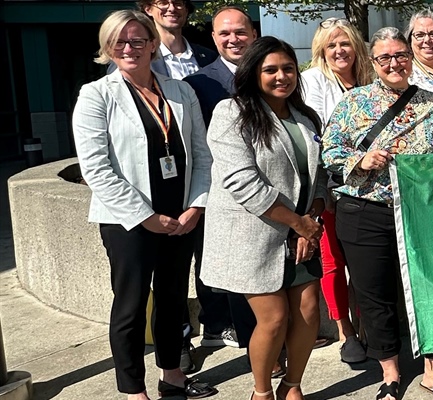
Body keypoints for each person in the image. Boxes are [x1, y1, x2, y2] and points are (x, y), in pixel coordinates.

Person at [72, 9, 216, 399]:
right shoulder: (96, 95)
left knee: (172, 299)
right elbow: (96, 169)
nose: (129, 48)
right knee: (131, 306)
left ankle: (173, 377)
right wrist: (145, 217)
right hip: (128, 221)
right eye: (119, 41)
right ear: (108, 48)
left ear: (153, 44)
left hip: (180, 215)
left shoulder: (181, 91)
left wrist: (196, 206)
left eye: (138, 40)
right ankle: (134, 391)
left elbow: (202, 155)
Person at [322, 26, 433, 400]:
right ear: (373, 61)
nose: (394, 63)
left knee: (430, 289)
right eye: (385, 57)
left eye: (400, 55)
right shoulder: (355, 103)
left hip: (420, 211)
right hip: (364, 211)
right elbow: (329, 150)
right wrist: (360, 158)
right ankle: (390, 373)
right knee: (374, 294)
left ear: (410, 58)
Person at [201, 37, 326, 400]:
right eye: (270, 69)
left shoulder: (306, 117)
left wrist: (310, 221)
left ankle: (292, 386)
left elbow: (321, 178)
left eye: (288, 68)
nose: (281, 76)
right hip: (254, 235)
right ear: (253, 73)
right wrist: (297, 223)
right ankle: (261, 391)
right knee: (273, 318)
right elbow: (242, 182)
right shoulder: (232, 113)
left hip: (301, 234)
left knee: (307, 309)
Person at [181, 4, 258, 363]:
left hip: (271, 190)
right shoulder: (197, 85)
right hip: (221, 193)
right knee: (218, 265)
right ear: (213, 38)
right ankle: (223, 327)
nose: (233, 39)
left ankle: (264, 333)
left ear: (253, 34)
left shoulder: (273, 72)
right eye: (224, 33)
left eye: (240, 31)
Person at [298, 16, 372, 365]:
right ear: (322, 51)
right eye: (332, 45)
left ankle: (368, 323)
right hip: (331, 186)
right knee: (333, 262)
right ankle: (346, 332)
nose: (339, 50)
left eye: (344, 43)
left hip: (370, 188)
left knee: (364, 262)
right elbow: (317, 136)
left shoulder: (370, 78)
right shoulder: (312, 81)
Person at [135, 0, 216, 78]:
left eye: (177, 3)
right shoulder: (143, 58)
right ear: (148, 9)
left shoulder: (209, 57)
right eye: (163, 3)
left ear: (186, 10)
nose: (172, 8)